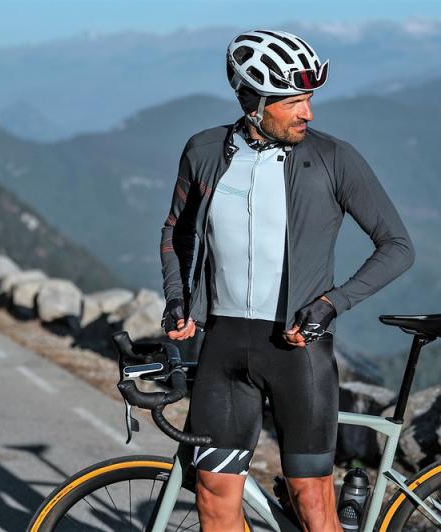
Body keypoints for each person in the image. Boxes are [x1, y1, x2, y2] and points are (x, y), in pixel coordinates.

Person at [159, 29, 414, 532]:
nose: (308, 113)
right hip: (224, 346)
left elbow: (397, 246)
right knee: (213, 496)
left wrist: (332, 303)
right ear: (252, 102)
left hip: (299, 352)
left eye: (309, 99)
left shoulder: (333, 158)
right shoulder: (203, 151)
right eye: (293, 101)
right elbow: (178, 230)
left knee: (312, 502)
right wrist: (178, 298)